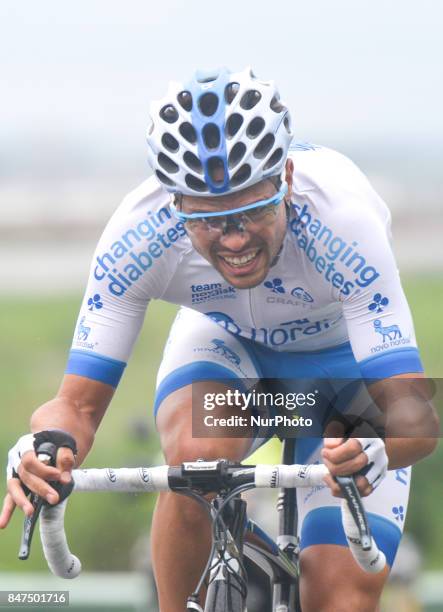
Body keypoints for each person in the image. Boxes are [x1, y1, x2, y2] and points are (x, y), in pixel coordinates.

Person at [1, 67, 438, 612]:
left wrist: (377, 448)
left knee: (340, 596)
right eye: (209, 221)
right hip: (231, 349)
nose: (234, 240)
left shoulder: (345, 219)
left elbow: (415, 416)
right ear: (175, 203)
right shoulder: (137, 236)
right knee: (196, 463)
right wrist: (46, 448)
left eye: (251, 211)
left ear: (288, 177)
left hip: (345, 373)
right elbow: (75, 406)